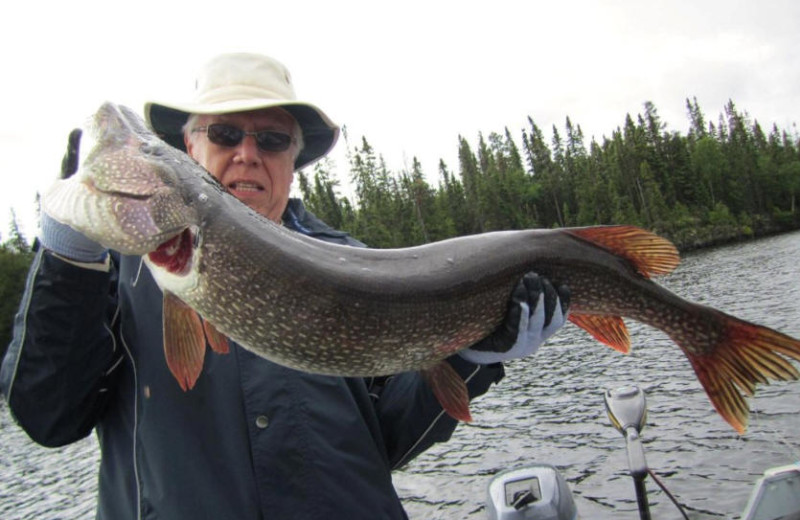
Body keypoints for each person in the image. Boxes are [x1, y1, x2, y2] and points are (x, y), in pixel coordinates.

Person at [0, 53, 569, 519]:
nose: (248, 154)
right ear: (190, 151)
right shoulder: (115, 274)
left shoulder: (357, 268)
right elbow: (49, 416)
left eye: (272, 140)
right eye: (224, 134)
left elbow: (391, 439)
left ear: (294, 159)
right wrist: (68, 255)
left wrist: (472, 354)